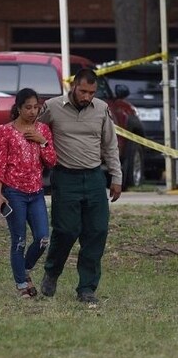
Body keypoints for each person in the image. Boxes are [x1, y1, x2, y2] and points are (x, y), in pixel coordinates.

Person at [37, 68, 122, 305]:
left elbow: (110, 146)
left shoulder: (101, 109)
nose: (87, 97)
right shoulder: (53, 107)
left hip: (94, 176)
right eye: (83, 91)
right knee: (66, 230)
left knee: (96, 232)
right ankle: (52, 272)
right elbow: (34, 132)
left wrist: (116, 177)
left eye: (91, 93)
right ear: (74, 86)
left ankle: (86, 287)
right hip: (65, 176)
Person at [0, 88, 56, 298]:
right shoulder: (6, 131)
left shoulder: (43, 130)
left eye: (36, 107)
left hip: (36, 192)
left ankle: (25, 270)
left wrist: (41, 141)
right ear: (18, 108)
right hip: (14, 192)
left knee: (43, 238)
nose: (32, 111)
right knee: (18, 240)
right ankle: (21, 285)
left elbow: (52, 161)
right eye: (28, 107)